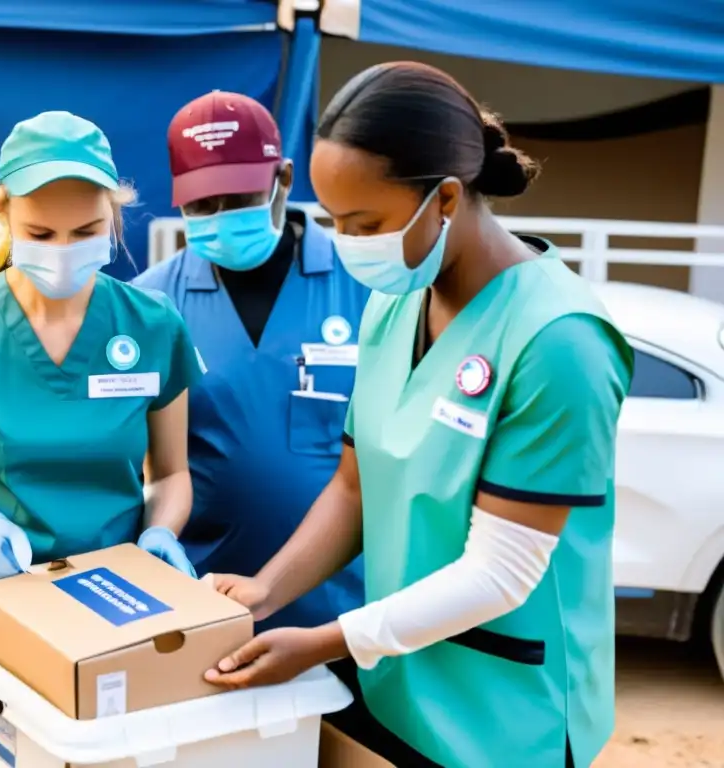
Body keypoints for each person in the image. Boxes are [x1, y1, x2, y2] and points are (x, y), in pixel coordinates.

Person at [203, 62, 634, 768]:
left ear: (445, 199)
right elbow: (354, 484)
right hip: (401, 685)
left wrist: (322, 640)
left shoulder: (560, 341)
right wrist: (266, 589)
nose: (346, 243)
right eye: (335, 221)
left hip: (505, 712)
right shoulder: (393, 303)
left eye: (364, 222)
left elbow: (501, 575)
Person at [0, 111, 203, 617]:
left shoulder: (151, 325)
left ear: (114, 217)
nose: (64, 252)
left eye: (86, 231)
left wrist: (162, 530)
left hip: (118, 595)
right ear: (5, 217)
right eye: (40, 234)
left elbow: (170, 474)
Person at [132, 91, 370, 631]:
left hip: (344, 611)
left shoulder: (363, 288)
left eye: (238, 198)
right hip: (202, 605)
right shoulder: (150, 305)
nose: (220, 217)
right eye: (200, 206)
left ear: (283, 179)